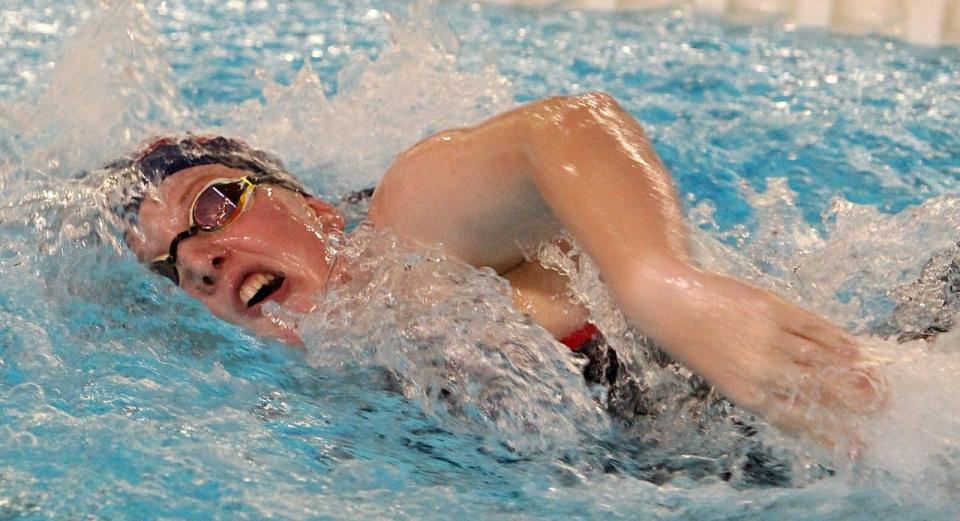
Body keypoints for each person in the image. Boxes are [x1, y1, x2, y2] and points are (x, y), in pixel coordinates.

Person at [119, 92, 885, 451]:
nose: (200, 256)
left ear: (317, 209)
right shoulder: (337, 392)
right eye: (176, 265)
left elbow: (564, 128)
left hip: (872, 385)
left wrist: (660, 284)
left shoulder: (409, 236)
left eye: (215, 204)